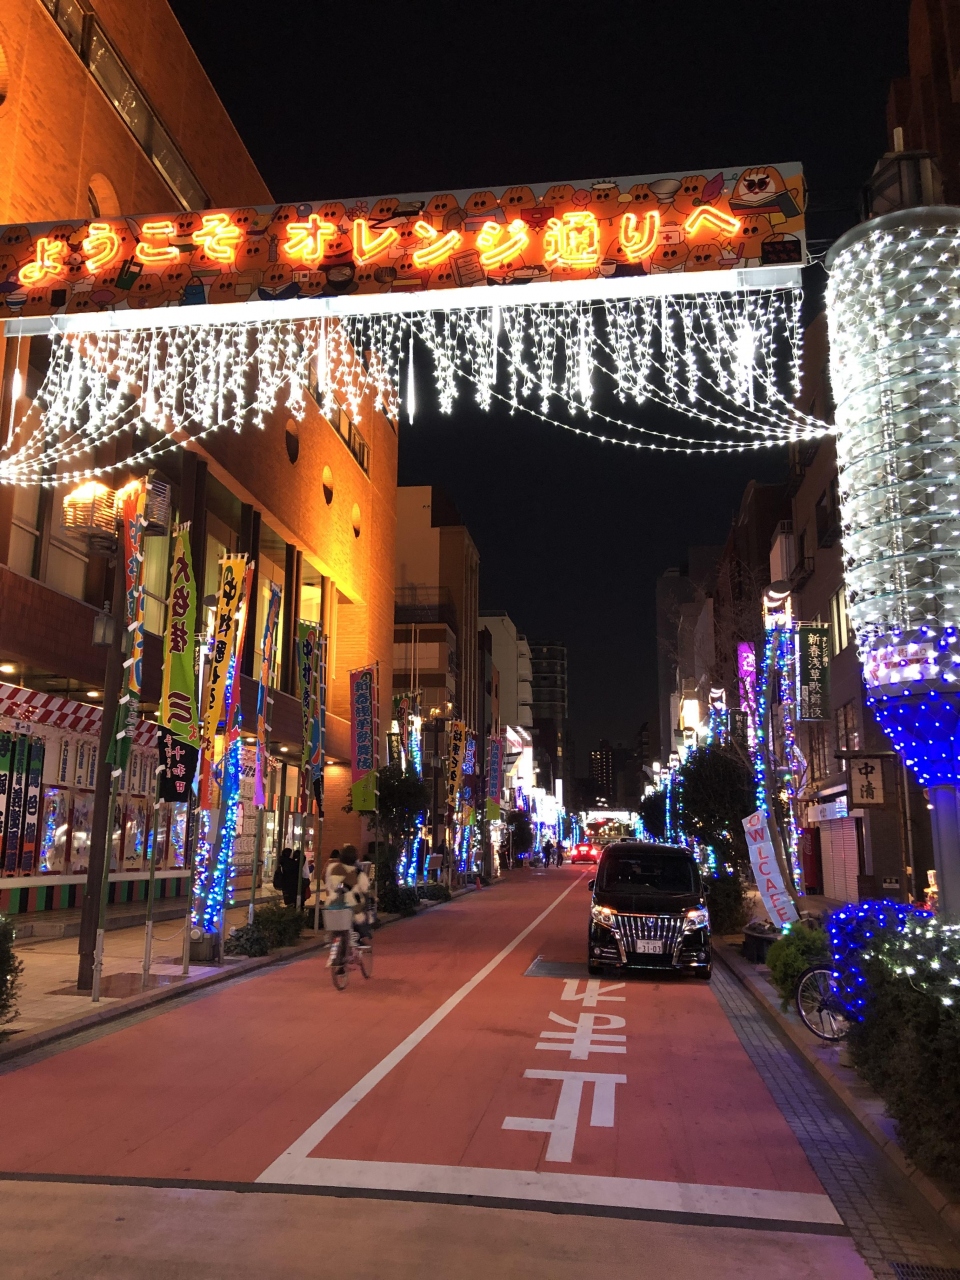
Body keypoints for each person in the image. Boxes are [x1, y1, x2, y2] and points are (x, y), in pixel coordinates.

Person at [323, 844, 372, 945]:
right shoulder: (358, 872)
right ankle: (362, 938)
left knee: (336, 928)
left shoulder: (332, 868)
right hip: (351, 905)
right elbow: (365, 888)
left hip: (332, 904)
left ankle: (333, 938)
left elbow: (329, 882)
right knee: (362, 917)